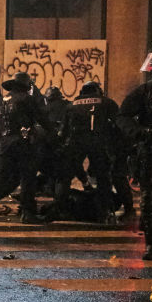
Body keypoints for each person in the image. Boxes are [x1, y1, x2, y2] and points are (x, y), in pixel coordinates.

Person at [0, 72, 50, 224]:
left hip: (4, 144)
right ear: (25, 86)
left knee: (0, 177)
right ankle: (27, 213)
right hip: (23, 143)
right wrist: (53, 133)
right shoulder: (27, 99)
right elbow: (42, 119)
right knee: (27, 177)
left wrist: (0, 141)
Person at [52, 82, 118, 223]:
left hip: (76, 143)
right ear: (97, 90)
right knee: (103, 178)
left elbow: (63, 130)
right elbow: (117, 125)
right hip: (99, 143)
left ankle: (60, 209)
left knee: (64, 176)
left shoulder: (71, 106)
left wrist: (61, 146)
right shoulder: (107, 102)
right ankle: (104, 210)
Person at [118, 51, 152, 258]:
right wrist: (141, 132)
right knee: (150, 199)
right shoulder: (145, 92)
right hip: (151, 149)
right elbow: (123, 117)